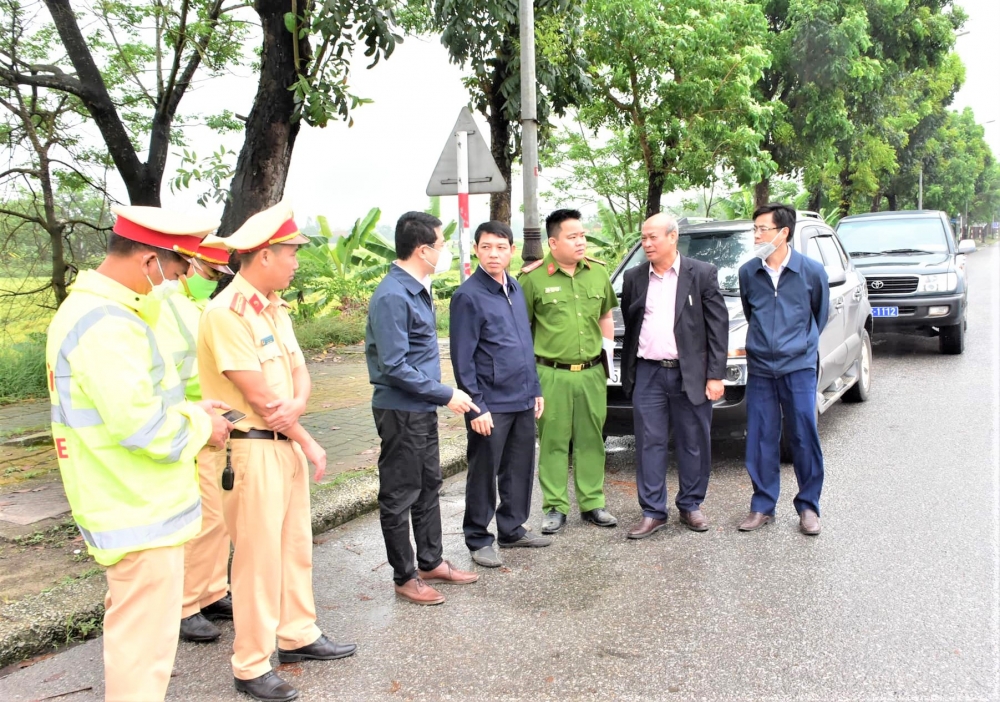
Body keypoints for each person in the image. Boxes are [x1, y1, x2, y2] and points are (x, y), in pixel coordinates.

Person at [46, 205, 232, 702]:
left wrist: (190, 407)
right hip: (135, 506)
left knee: (139, 642)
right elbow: (147, 430)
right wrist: (204, 425)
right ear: (149, 261)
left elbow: (137, 405)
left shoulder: (98, 312)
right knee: (143, 653)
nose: (174, 284)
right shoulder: (108, 324)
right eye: (174, 271)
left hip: (129, 501)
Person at [198, 202, 355, 702]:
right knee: (257, 561)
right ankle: (250, 664)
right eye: (291, 253)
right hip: (251, 450)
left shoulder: (274, 308)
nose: (296, 263)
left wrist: (299, 410)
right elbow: (262, 398)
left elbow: (299, 373)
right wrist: (308, 438)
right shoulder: (226, 313)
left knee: (294, 548)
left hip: (283, 444)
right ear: (264, 255)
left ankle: (298, 635)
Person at [366, 211, 481, 605]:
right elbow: (394, 366)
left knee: (429, 485)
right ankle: (405, 575)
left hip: (420, 407)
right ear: (422, 250)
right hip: (401, 410)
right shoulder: (393, 296)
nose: (444, 251)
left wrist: (436, 396)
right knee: (400, 494)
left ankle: (431, 562)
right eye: (441, 245)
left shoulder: (417, 288)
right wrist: (445, 393)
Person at [619, 213, 729, 538]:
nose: (647, 244)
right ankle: (653, 511)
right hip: (648, 372)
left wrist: (715, 375)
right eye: (643, 238)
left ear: (672, 236)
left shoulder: (702, 274)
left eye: (653, 237)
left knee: (693, 442)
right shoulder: (634, 277)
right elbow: (632, 321)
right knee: (648, 443)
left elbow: (717, 327)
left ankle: (690, 505)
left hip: (690, 373)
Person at [449, 221, 551, 568]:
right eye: (487, 247)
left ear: (511, 250)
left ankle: (512, 528)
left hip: (522, 397)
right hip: (490, 403)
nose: (494, 254)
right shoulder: (468, 296)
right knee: (484, 472)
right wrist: (476, 407)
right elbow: (462, 359)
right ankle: (478, 537)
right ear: (476, 250)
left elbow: (524, 344)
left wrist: (535, 389)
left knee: (519, 467)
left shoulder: (515, 287)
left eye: (501, 247)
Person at [153, 236, 237, 644]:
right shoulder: (165, 304)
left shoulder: (200, 305)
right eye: (208, 273)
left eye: (218, 276)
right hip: (188, 423)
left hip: (212, 423)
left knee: (219, 517)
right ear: (189, 265)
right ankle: (186, 605)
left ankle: (212, 591)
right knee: (200, 519)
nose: (212, 280)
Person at [519, 208, 619, 535]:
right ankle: (555, 506)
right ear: (553, 242)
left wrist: (607, 362)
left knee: (592, 439)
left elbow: (605, 317)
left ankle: (592, 503)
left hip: (591, 372)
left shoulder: (597, 273)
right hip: (551, 373)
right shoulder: (532, 279)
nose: (581, 242)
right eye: (572, 236)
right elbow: (522, 330)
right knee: (554, 441)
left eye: (582, 235)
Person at [737, 203, 829, 536]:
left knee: (803, 435)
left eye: (763, 229)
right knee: (761, 436)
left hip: (799, 367)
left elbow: (819, 315)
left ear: (783, 233)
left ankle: (808, 506)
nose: (756, 235)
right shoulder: (749, 272)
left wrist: (799, 345)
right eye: (755, 229)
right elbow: (751, 313)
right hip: (761, 367)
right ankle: (762, 505)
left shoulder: (811, 272)